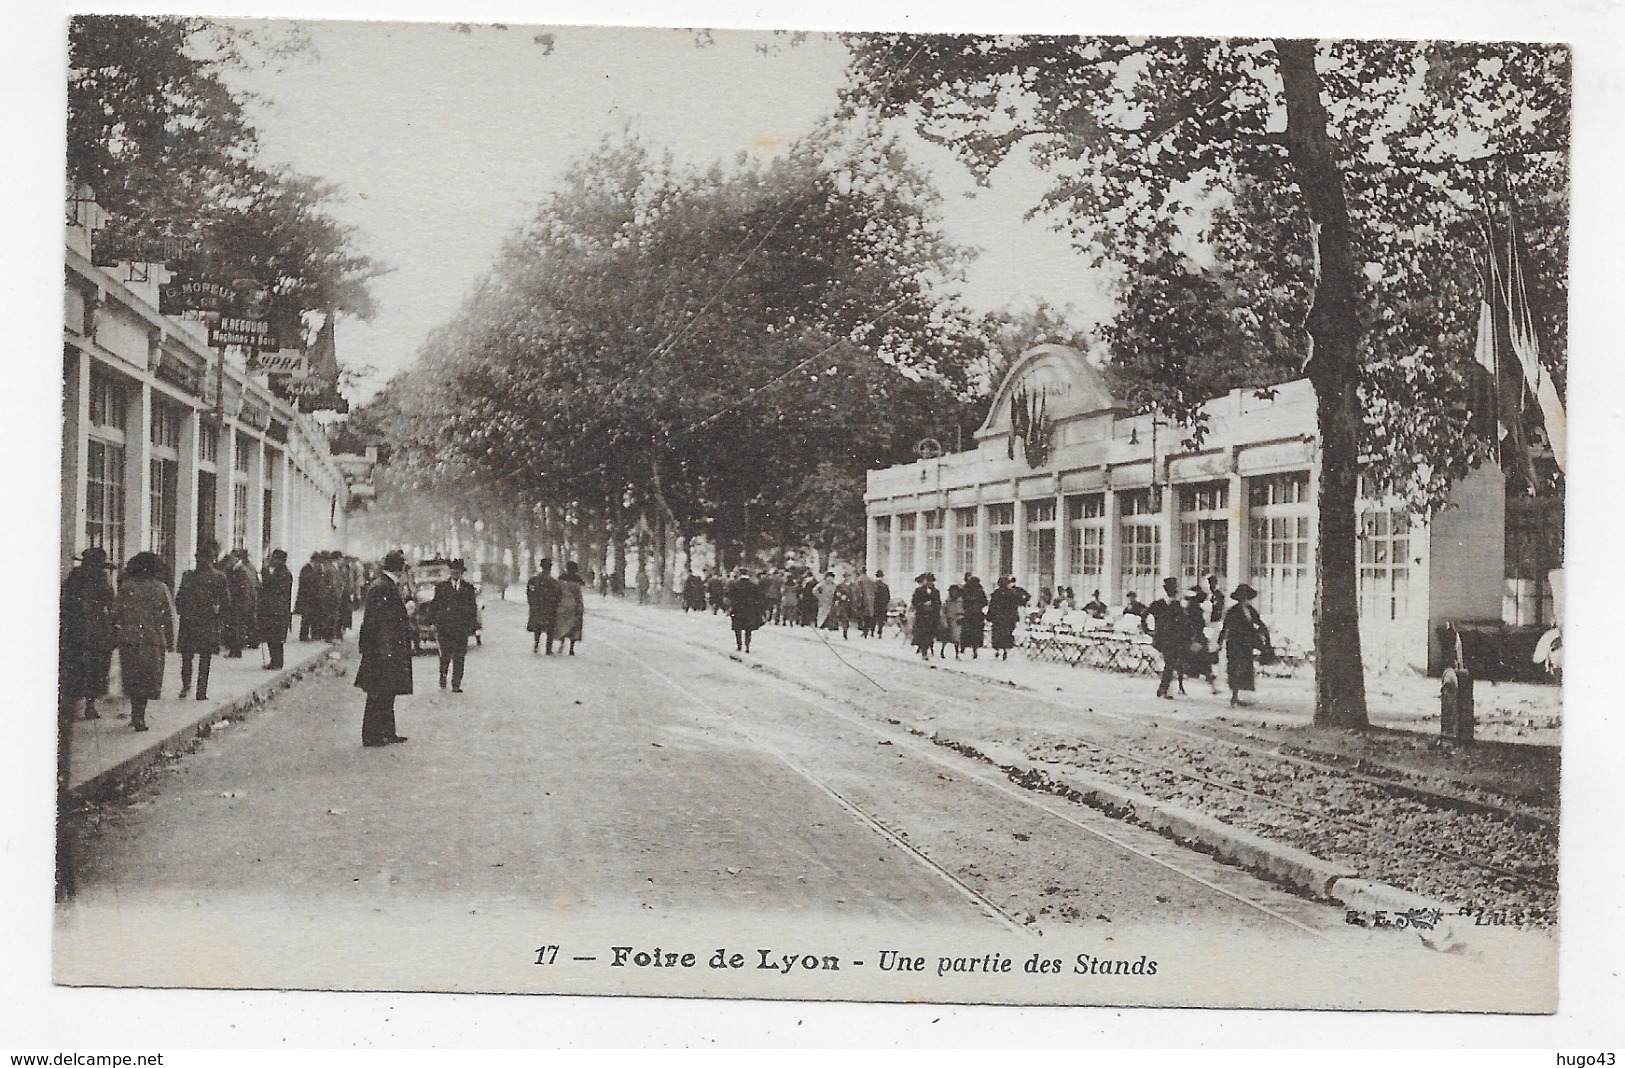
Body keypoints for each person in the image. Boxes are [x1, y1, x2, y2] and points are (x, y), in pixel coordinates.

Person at [355, 550, 413, 747]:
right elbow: (381, 622)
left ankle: (387, 732)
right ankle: (373, 735)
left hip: (383, 648)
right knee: (379, 693)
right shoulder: (384, 587)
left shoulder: (384, 585)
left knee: (386, 692)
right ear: (399, 567)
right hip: (383, 649)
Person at [114, 552, 175, 732]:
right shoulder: (160, 587)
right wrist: (171, 641)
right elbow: (169, 617)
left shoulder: (126, 587)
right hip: (153, 639)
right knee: (147, 678)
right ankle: (140, 716)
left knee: (132, 678)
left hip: (129, 639)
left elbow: (115, 612)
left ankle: (135, 714)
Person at [60, 546, 117, 721]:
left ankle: (75, 706)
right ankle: (89, 706)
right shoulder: (101, 578)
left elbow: (64, 600)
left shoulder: (74, 577)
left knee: (78, 666)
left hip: (76, 628)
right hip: (96, 628)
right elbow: (110, 601)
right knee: (96, 668)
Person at [175, 542, 228, 701]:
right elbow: (226, 602)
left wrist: (184, 612)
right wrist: (219, 617)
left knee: (188, 657)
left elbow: (179, 600)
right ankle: (200, 690)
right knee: (204, 657)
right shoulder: (219, 576)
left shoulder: (188, 576)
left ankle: (187, 687)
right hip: (207, 621)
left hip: (190, 621)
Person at [430, 559, 480, 692]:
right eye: (453, 570)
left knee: (459, 656)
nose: (455, 573)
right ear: (450, 572)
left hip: (461, 628)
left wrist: (472, 625)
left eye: (458, 571)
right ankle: (443, 675)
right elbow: (434, 606)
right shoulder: (441, 587)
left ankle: (456, 683)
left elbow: (472, 607)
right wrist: (433, 622)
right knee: (445, 655)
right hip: (445, 627)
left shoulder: (468, 588)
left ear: (462, 573)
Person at [1219, 583, 1272, 707]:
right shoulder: (1232, 611)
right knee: (1234, 668)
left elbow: (1260, 624)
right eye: (1242, 596)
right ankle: (1234, 696)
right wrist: (1220, 643)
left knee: (1245, 668)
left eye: (1245, 596)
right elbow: (1225, 628)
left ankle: (1240, 695)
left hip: (1246, 644)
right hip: (1234, 643)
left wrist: (1265, 638)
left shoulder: (1251, 611)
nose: (1244, 598)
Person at [1147, 577, 1188, 699]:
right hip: (1162, 639)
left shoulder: (1176, 605)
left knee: (1170, 663)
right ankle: (1163, 689)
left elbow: (1183, 622)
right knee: (1170, 663)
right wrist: (1149, 631)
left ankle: (1164, 689)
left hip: (1174, 640)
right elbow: (1144, 615)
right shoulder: (1158, 604)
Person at [258, 549, 294, 670]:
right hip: (276, 610)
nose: (272, 560)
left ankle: (277, 662)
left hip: (277, 611)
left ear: (280, 560)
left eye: (274, 558)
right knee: (273, 637)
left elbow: (271, 586)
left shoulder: (283, 573)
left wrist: (265, 571)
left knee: (275, 638)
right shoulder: (281, 572)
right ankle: (275, 661)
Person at [220, 548, 258, 658]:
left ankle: (235, 650)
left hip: (239, 602)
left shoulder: (239, 571)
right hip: (247, 600)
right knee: (239, 625)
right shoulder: (248, 568)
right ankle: (238, 647)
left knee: (235, 626)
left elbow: (241, 588)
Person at [1183, 587, 1220, 694]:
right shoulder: (1190, 612)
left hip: (1198, 637)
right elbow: (1191, 626)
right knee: (1203, 659)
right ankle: (1210, 682)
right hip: (1192, 638)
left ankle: (1210, 682)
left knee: (1205, 659)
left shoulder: (1196, 611)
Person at [527, 558, 562, 654]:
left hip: (538, 606)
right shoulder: (554, 582)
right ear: (550, 568)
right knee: (550, 628)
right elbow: (558, 595)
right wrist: (555, 604)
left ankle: (536, 644)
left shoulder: (534, 580)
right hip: (550, 608)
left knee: (537, 627)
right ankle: (548, 648)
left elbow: (529, 592)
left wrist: (532, 602)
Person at [727, 568, 764, 653]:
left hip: (737, 610)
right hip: (749, 610)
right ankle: (747, 646)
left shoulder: (735, 585)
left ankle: (739, 646)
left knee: (737, 629)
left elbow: (731, 597)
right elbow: (758, 598)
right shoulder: (753, 585)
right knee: (748, 629)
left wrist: (732, 607)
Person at [987, 576, 1023, 660]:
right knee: (1006, 634)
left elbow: (992, 606)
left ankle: (998, 649)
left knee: (997, 634)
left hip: (998, 618)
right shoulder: (1012, 593)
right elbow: (1017, 604)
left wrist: (990, 616)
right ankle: (1005, 649)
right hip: (1009, 618)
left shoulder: (996, 593)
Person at [554, 561, 586, 655]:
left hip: (563, 604)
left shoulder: (562, 577)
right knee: (574, 626)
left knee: (563, 624)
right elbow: (580, 593)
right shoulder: (578, 579)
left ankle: (562, 642)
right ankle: (571, 648)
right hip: (575, 605)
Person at [909, 573, 941, 660]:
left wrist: (933, 607)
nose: (929, 583)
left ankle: (926, 650)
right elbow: (914, 602)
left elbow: (938, 603)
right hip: (922, 616)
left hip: (932, 617)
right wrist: (923, 605)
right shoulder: (919, 591)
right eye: (927, 580)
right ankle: (924, 652)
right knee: (923, 634)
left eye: (931, 581)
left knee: (930, 635)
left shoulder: (936, 592)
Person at [295, 552, 321, 641]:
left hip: (313, 597)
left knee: (313, 616)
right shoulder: (306, 569)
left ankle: (312, 634)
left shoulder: (315, 569)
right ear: (314, 561)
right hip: (306, 597)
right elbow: (305, 582)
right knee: (306, 617)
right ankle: (303, 635)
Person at [959, 574, 987, 658]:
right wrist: (979, 606)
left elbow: (962, 601)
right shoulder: (979, 590)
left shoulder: (965, 589)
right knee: (976, 633)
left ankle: (963, 647)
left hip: (968, 614)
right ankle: (974, 649)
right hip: (977, 614)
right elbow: (985, 601)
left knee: (966, 632)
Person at [940, 583, 965, 659]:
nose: (954, 593)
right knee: (945, 638)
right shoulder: (947, 601)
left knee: (956, 638)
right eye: (952, 591)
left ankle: (957, 653)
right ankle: (942, 650)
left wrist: (961, 617)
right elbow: (943, 611)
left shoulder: (960, 601)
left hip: (956, 621)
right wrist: (944, 620)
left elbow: (962, 610)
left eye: (955, 591)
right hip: (948, 620)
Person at [854, 569, 877, 637]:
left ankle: (864, 631)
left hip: (862, 600)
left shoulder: (859, 580)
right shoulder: (870, 580)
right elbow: (875, 590)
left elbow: (857, 591)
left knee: (862, 616)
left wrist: (857, 602)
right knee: (868, 616)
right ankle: (869, 631)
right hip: (870, 600)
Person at [871, 571, 891, 639]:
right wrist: (885, 603)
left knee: (873, 618)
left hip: (875, 604)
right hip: (882, 605)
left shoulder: (873, 585)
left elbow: (871, 595)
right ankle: (880, 632)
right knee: (881, 620)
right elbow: (888, 597)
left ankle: (872, 632)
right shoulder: (885, 586)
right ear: (882, 577)